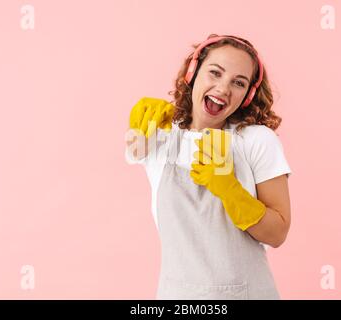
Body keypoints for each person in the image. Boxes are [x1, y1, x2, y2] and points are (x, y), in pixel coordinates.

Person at [125, 34, 292, 300]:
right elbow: (134, 151)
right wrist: (137, 124)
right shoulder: (163, 135)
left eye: (238, 82)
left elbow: (277, 233)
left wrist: (231, 192)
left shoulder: (256, 140)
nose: (224, 88)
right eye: (215, 73)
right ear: (192, 74)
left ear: (247, 95)